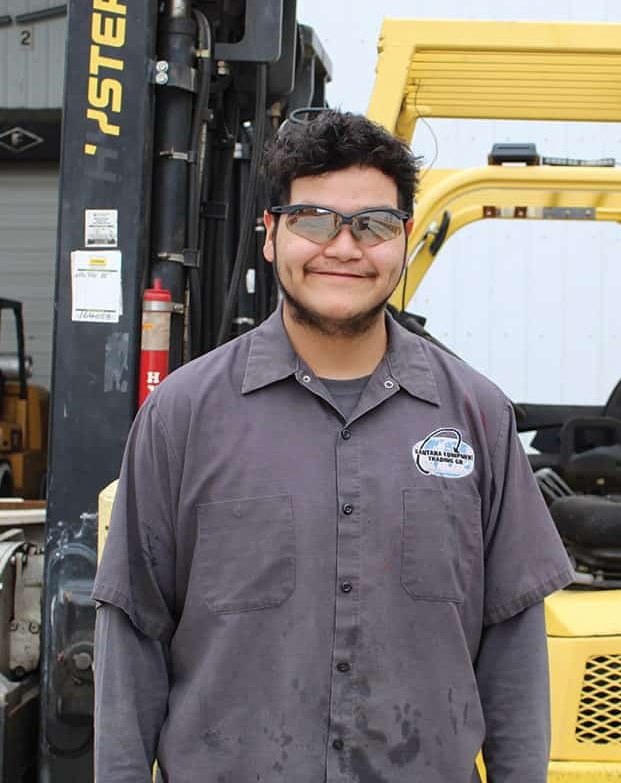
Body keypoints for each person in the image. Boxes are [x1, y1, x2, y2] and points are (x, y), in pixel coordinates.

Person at [92, 111, 574, 783]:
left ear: (403, 240)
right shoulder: (183, 417)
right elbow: (133, 634)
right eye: (314, 219)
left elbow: (512, 647)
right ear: (270, 234)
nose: (343, 247)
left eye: (373, 225)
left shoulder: (477, 419)